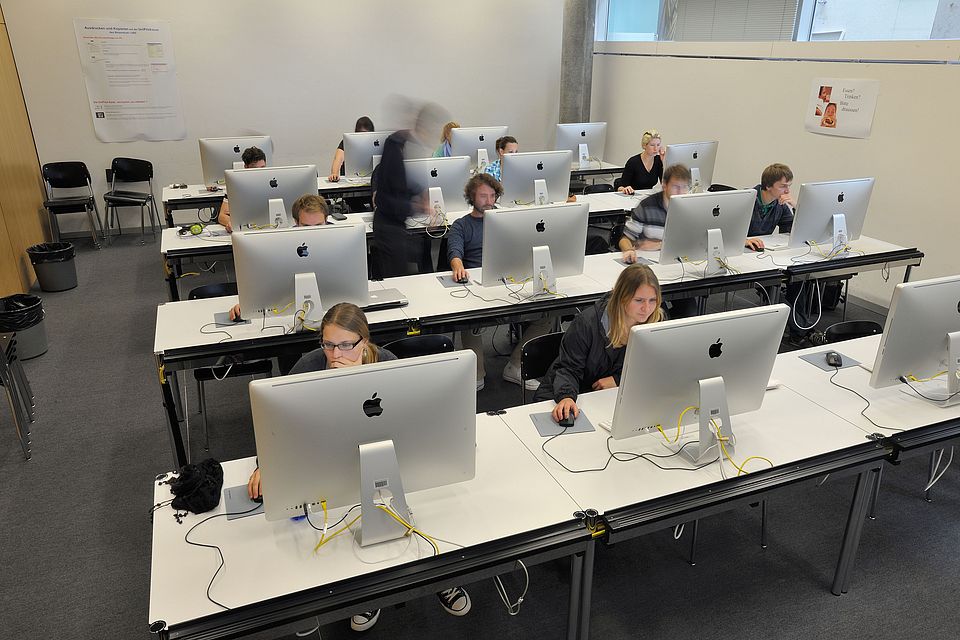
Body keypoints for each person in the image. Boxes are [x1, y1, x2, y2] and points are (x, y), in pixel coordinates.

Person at [245, 302, 471, 632]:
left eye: (346, 345)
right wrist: (265, 463)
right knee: (347, 533)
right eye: (328, 344)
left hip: (389, 456)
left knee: (416, 513)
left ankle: (440, 578)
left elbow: (418, 413)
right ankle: (368, 595)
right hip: (330, 461)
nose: (336, 354)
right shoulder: (311, 364)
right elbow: (274, 419)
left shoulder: (387, 365)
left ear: (364, 341)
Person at [447, 173, 554, 391]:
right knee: (469, 319)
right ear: (472, 197)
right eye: (483, 196)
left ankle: (516, 366)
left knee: (548, 313)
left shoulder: (508, 220)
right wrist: (458, 266)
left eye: (492, 195)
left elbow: (526, 244)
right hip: (477, 282)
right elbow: (454, 251)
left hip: (510, 278)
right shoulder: (462, 225)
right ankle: (476, 373)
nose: (488, 201)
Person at [534, 264, 664, 423]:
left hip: (608, 398)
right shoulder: (588, 324)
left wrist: (617, 380)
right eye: (639, 300)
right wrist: (567, 396)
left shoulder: (656, 322)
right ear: (622, 297)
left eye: (652, 300)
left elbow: (652, 366)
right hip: (566, 394)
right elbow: (568, 368)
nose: (646, 308)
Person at [227, 194, 332, 321]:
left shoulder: (340, 241)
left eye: (319, 225)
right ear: (296, 222)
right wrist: (250, 305)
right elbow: (268, 282)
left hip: (332, 307)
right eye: (306, 226)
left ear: (326, 220)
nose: (313, 232)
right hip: (294, 307)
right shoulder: (281, 244)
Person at [371, 102, 445, 278]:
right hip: (388, 227)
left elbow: (405, 183)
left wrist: (421, 194)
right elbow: (386, 200)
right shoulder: (394, 145)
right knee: (396, 279)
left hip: (397, 226)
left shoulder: (408, 146)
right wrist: (418, 207)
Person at [617, 163, 697, 317]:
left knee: (690, 310)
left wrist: (661, 244)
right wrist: (628, 249)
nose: (680, 192)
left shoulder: (691, 209)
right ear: (664, 185)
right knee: (658, 313)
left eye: (684, 187)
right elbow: (625, 239)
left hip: (678, 270)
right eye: (676, 187)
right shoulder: (647, 206)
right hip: (648, 273)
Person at [744, 163, 794, 251]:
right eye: (783, 186)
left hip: (762, 250)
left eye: (789, 186)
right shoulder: (745, 199)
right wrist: (743, 241)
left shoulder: (780, 204)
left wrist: (796, 207)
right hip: (742, 250)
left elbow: (791, 230)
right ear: (768, 186)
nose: (787, 191)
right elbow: (726, 229)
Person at [216, 146, 267, 232]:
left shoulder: (273, 183)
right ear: (246, 167)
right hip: (247, 229)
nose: (260, 172)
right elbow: (222, 216)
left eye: (263, 168)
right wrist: (231, 223)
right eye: (255, 169)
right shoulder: (235, 185)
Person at [617, 129, 666, 195]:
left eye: (658, 145)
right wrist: (625, 189)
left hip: (647, 197)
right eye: (652, 145)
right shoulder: (633, 162)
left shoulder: (658, 161)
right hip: (632, 196)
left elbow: (665, 185)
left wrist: (664, 162)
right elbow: (620, 187)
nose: (656, 149)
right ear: (644, 145)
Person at [328, 116, 375, 182]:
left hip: (371, 180)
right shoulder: (348, 142)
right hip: (350, 181)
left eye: (366, 134)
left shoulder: (376, 143)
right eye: (361, 133)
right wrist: (334, 173)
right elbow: (338, 158)